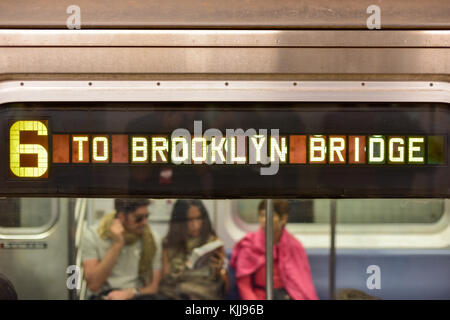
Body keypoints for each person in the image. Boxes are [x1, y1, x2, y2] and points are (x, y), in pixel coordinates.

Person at [230, 200, 318, 300]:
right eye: (261, 215)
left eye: (269, 215)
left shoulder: (294, 246)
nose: (264, 220)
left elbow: (303, 285)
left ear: (283, 219)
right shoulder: (249, 246)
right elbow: (244, 286)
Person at [82, 199, 162, 300]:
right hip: (105, 294)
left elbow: (153, 287)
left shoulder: (152, 240)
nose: (144, 222)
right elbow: (93, 285)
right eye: (139, 218)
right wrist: (117, 244)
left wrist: (132, 292)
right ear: (121, 217)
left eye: (147, 216)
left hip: (137, 294)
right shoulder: (94, 236)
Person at [156, 200, 229, 300]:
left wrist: (220, 271)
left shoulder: (214, 242)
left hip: (205, 289)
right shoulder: (169, 244)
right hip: (176, 290)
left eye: (199, 219)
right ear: (180, 222)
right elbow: (165, 278)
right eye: (189, 220)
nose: (195, 225)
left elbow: (225, 289)